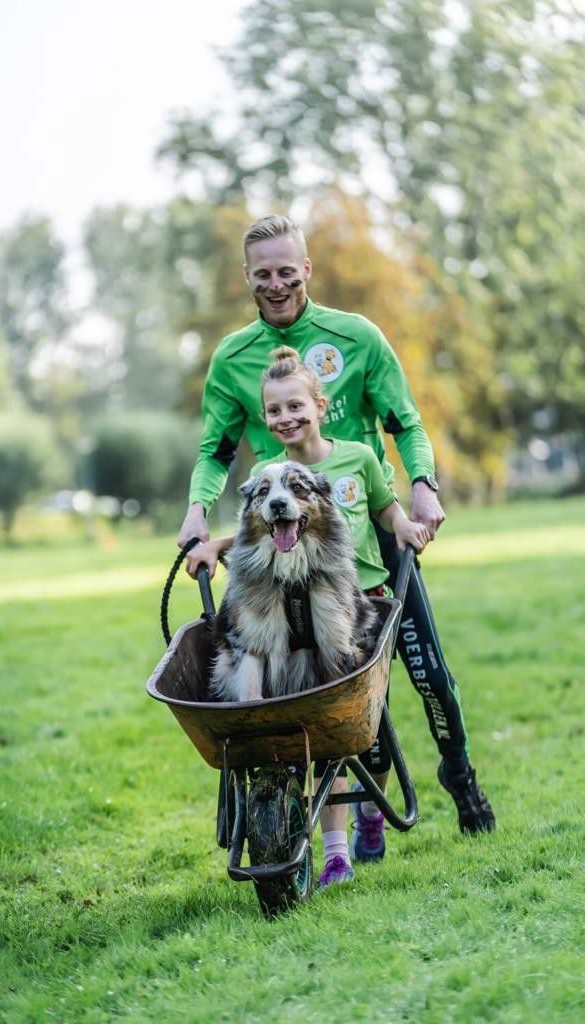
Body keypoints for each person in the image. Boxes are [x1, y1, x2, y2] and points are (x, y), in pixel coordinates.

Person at [178, 214, 495, 843]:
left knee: (428, 673)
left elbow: (404, 419)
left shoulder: (357, 337)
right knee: (339, 688)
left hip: (374, 546)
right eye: (262, 274)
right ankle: (351, 822)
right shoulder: (233, 358)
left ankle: (461, 778)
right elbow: (216, 449)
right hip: (298, 557)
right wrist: (197, 510)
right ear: (247, 276)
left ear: (307, 268)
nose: (276, 283)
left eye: (286, 270)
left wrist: (423, 486)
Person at [188, 346, 430, 886]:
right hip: (275, 639)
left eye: (296, 406)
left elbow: (385, 507)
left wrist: (406, 523)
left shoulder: (355, 460)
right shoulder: (270, 480)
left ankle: (352, 834)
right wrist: (212, 541)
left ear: (320, 404)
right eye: (274, 411)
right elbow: (259, 528)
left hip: (360, 592)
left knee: (355, 725)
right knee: (254, 656)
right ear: (267, 418)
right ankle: (312, 827)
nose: (286, 417)